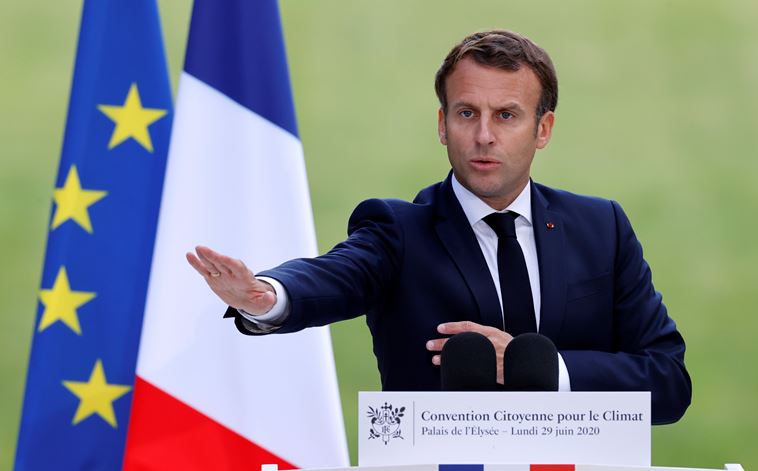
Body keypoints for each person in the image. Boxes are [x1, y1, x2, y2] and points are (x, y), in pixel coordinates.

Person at [186, 30, 691, 424]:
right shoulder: (399, 231)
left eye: (507, 115)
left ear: (543, 129)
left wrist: (538, 368)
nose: (484, 136)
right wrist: (267, 295)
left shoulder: (601, 228)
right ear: (442, 123)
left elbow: (667, 381)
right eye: (467, 113)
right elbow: (337, 275)